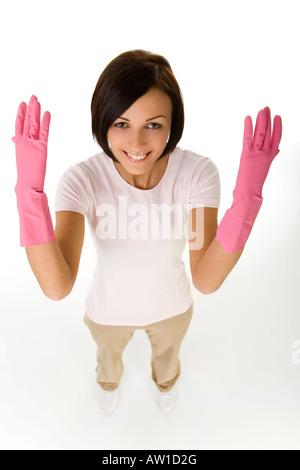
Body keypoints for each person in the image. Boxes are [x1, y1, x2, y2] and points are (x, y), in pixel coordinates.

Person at [12, 50, 282, 414]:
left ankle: (165, 384)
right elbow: (55, 286)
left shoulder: (197, 174)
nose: (136, 145)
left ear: (173, 123)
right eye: (121, 124)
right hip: (107, 311)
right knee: (108, 365)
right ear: (102, 120)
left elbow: (206, 279)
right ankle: (108, 384)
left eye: (153, 125)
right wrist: (28, 191)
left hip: (172, 308)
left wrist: (248, 197)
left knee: (168, 364)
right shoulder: (82, 180)